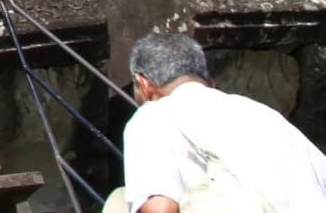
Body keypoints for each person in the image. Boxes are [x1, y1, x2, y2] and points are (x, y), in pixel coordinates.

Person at [108, 31, 326, 212]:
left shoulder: (152, 115)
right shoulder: (267, 116)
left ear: (143, 84)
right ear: (210, 82)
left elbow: (160, 208)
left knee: (119, 201)